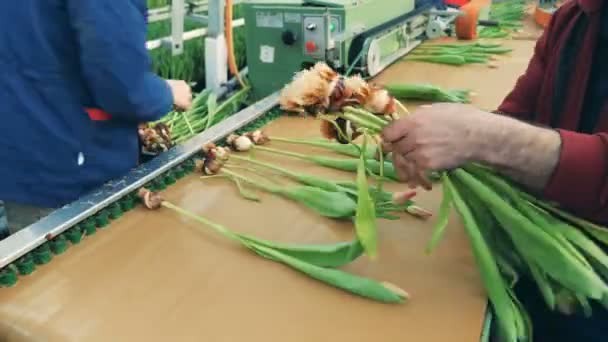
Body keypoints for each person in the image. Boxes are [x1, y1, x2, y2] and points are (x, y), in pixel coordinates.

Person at [382, 0, 607, 340]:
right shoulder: (573, 19)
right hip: (557, 270)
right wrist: (442, 142)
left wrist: (487, 138)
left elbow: (501, 135)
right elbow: (518, 116)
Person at [0, 1, 192, 236]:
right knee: (88, 264)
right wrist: (166, 92)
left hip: (17, 161)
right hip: (72, 173)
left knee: (37, 265)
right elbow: (123, 88)